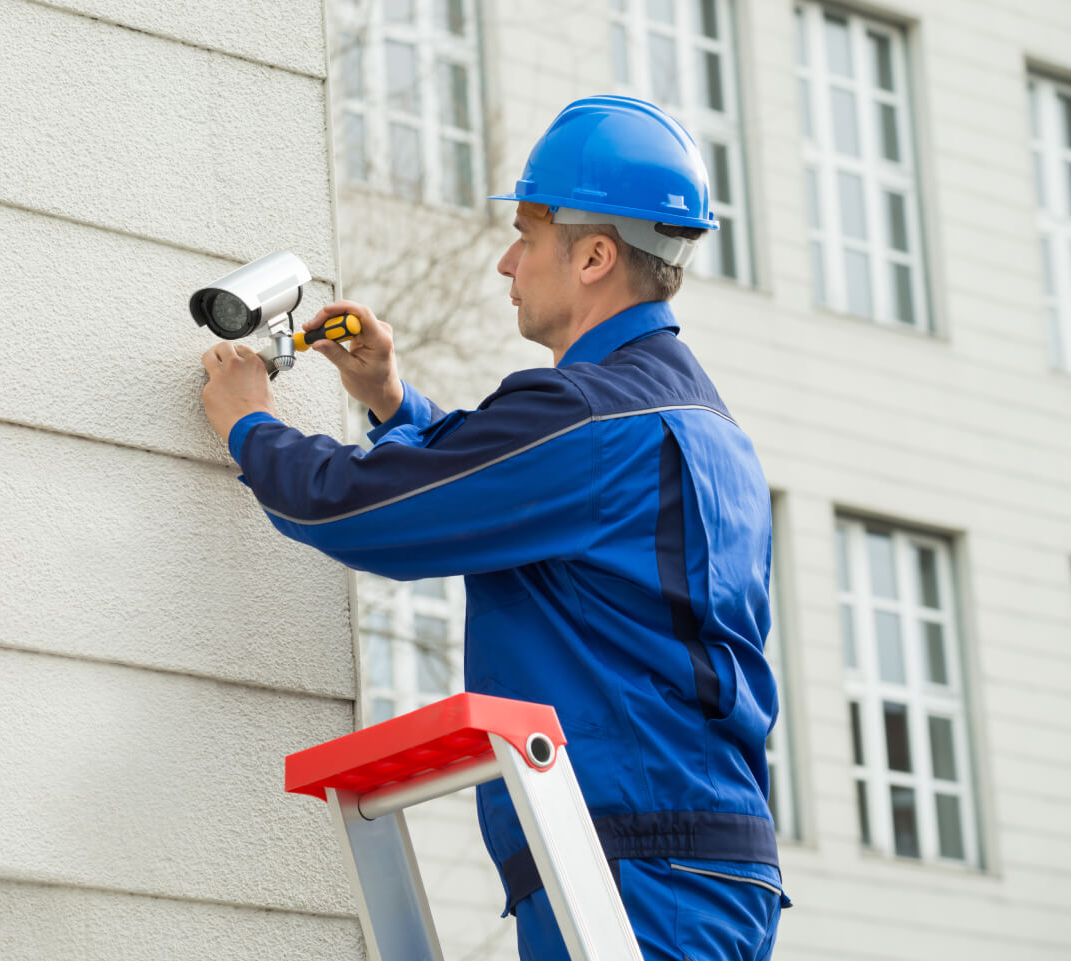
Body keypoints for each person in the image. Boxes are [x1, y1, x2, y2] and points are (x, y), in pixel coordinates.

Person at [200, 95, 787, 961]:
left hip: (634, 871)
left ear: (592, 255)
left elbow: (359, 509)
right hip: (696, 865)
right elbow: (513, 482)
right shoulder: (698, 424)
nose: (507, 262)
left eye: (525, 234)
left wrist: (251, 424)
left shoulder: (589, 417)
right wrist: (391, 398)